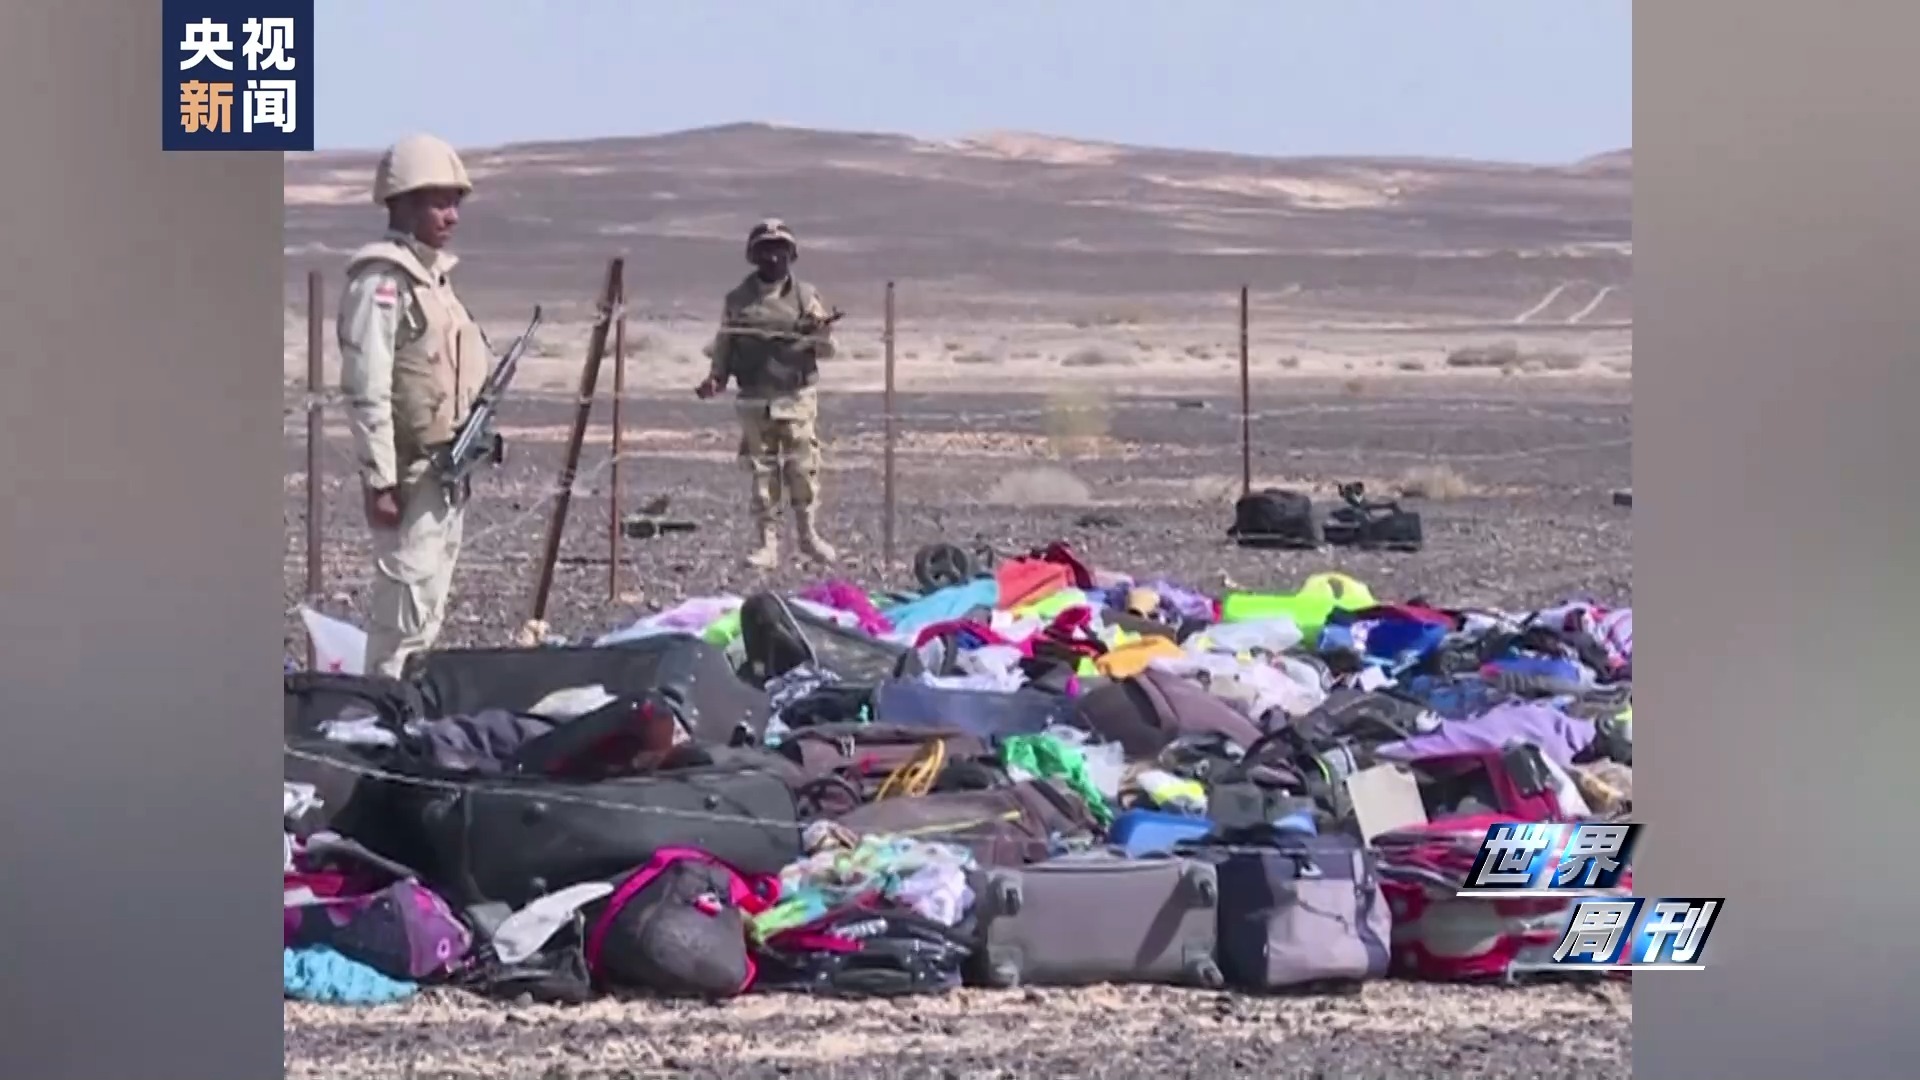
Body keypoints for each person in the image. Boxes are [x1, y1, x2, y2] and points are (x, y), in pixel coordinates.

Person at [335, 133, 491, 677]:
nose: (451, 215)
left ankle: (408, 709)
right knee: (402, 616)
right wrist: (380, 480)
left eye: (455, 202)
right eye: (437, 202)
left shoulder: (435, 282)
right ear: (401, 204)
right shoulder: (382, 280)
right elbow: (367, 386)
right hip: (409, 476)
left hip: (446, 471)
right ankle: (383, 709)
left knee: (429, 609)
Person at [696, 218, 840, 570]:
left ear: (791, 255)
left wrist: (816, 333)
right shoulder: (738, 300)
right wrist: (716, 378)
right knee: (762, 471)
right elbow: (725, 343)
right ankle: (767, 544)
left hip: (796, 395)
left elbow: (827, 350)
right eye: (765, 250)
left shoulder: (805, 296)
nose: (773, 257)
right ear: (754, 255)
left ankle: (807, 536)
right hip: (754, 397)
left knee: (802, 467)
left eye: (779, 250)